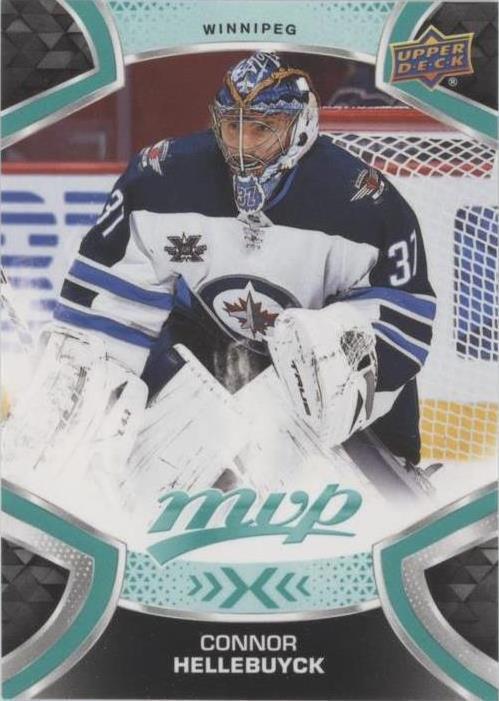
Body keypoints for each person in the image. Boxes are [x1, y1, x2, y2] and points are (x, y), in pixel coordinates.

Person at [4, 52, 436, 519]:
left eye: (262, 129)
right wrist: (80, 406)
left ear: (300, 129)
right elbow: (104, 314)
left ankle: (386, 488)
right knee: (87, 376)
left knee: (328, 360)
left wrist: (335, 373)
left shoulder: (362, 202)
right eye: (233, 127)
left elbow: (402, 326)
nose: (243, 147)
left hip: (312, 370)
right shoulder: (161, 180)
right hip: (205, 341)